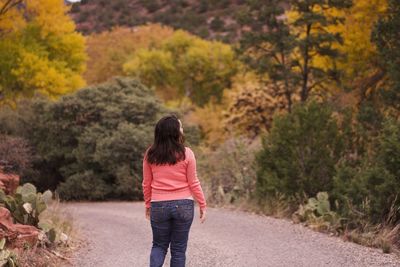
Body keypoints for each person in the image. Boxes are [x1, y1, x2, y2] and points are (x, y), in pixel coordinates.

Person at [142, 114, 207, 267]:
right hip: (184, 205)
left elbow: (146, 183)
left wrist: (148, 205)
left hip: (159, 205)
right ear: (174, 132)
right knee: (178, 250)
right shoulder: (187, 153)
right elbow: (193, 182)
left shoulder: (150, 154)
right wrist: (203, 205)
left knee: (159, 246)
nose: (182, 129)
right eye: (180, 127)